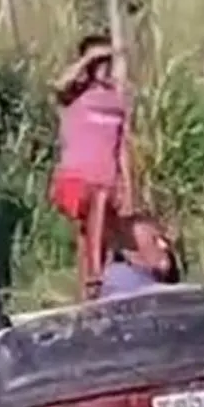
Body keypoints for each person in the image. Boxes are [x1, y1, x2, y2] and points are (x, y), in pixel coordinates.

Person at [50, 33, 132, 300]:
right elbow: (58, 85)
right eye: (99, 61)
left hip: (105, 181)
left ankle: (92, 293)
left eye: (107, 60)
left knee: (96, 236)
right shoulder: (74, 93)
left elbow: (122, 148)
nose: (104, 66)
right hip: (74, 181)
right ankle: (95, 277)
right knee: (98, 199)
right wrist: (88, 59)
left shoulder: (116, 99)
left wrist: (127, 186)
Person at [100, 213, 174, 298]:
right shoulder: (131, 288)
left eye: (161, 238)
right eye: (154, 240)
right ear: (130, 254)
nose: (164, 245)